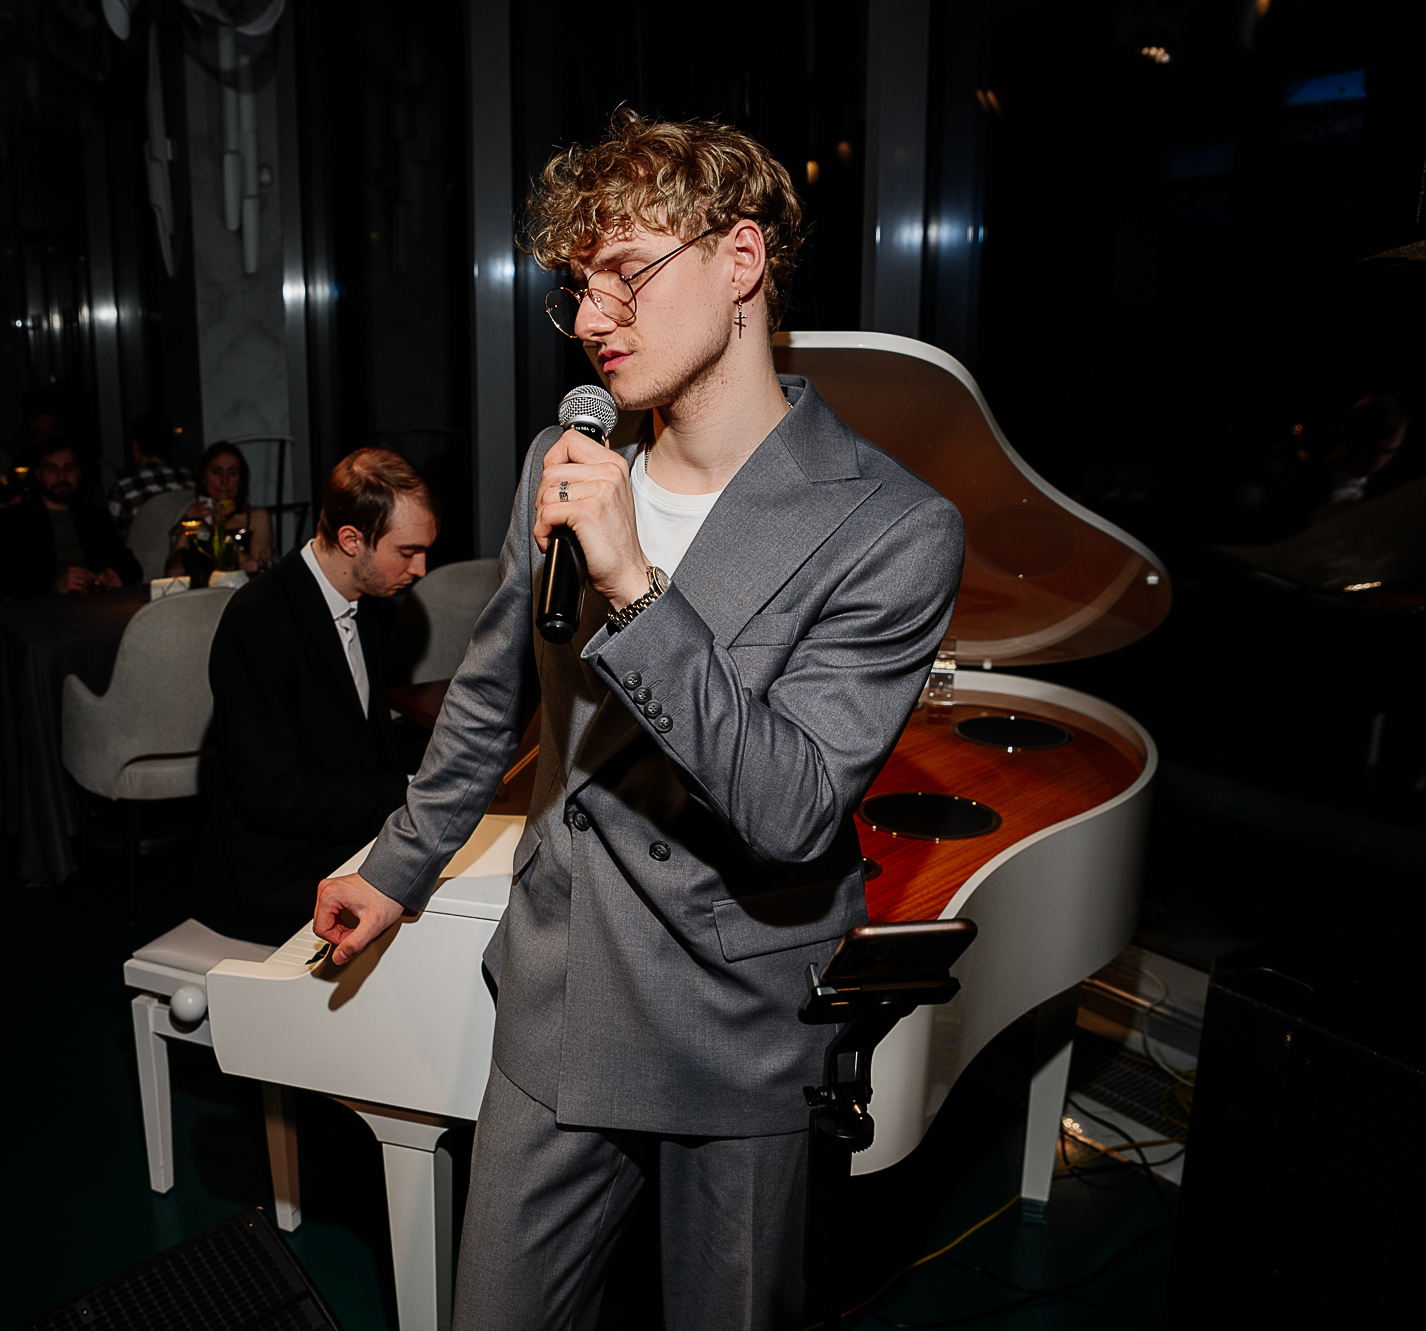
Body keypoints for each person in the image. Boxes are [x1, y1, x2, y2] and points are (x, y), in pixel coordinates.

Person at [311, 111, 965, 1328]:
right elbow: (490, 694)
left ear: (740, 260)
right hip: (559, 985)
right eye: (577, 287)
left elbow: (789, 807)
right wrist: (397, 865)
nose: (592, 317)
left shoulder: (891, 527)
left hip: (736, 1017)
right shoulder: (564, 459)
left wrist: (635, 587)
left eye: (626, 272)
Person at [205, 448, 439, 946]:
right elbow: (269, 795)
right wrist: (409, 790)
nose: (421, 569)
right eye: (407, 552)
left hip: (342, 841)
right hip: (281, 871)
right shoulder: (256, 621)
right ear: (351, 540)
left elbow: (353, 740)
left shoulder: (369, 604)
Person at [0, 439, 142, 602]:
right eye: (52, 470)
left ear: (78, 473)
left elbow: (132, 568)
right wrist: (55, 587)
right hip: (41, 610)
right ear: (38, 474)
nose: (61, 476)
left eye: (69, 469)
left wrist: (115, 575)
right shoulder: (14, 519)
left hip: (94, 606)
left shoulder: (94, 516)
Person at [163, 442, 276, 580]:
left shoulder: (257, 517)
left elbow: (258, 568)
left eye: (232, 474)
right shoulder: (194, 513)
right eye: (216, 473)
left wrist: (218, 528)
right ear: (204, 477)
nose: (224, 481)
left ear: (241, 478)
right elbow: (173, 572)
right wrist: (188, 524)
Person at [106, 413, 196, 539]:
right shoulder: (190, 480)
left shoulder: (123, 489)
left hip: (141, 551)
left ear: (135, 446)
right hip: (185, 548)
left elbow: (111, 537)